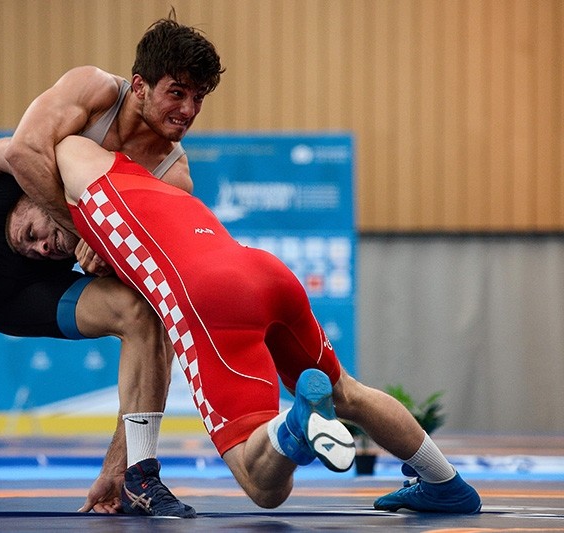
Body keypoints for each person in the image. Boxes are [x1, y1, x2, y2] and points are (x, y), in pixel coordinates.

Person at [0, 13, 224, 520]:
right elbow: (18, 151)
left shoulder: (172, 173)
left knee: (147, 317)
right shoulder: (95, 90)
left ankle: (134, 475)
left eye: (199, 98)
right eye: (178, 92)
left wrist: (101, 255)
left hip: (47, 283)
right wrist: (80, 230)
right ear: (141, 86)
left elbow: (137, 268)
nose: (188, 110)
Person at [45, 134, 482, 513]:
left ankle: (294, 427)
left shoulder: (71, 158)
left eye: (38, 233)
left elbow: (11, 151)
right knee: (346, 391)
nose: (45, 245)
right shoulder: (166, 183)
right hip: (265, 271)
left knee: (263, 487)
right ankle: (446, 483)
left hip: (209, 294)